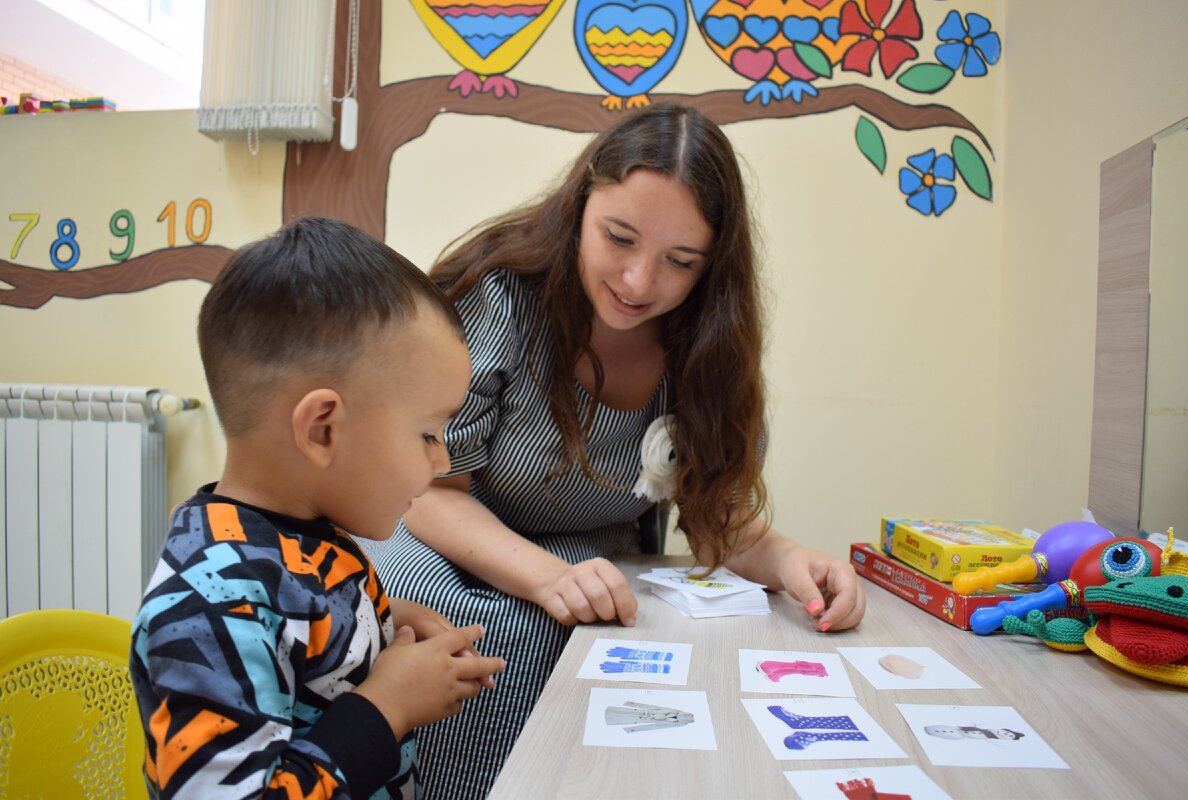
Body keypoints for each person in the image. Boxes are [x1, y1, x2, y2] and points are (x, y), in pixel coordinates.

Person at [363, 103, 867, 798]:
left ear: (710, 265)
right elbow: (427, 489)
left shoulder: (706, 343)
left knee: (607, 623)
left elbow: (712, 513)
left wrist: (789, 559)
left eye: (679, 262)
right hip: (437, 535)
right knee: (463, 616)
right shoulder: (500, 297)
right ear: (579, 206)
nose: (638, 282)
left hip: (591, 554)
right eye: (619, 238)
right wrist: (541, 576)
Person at [129, 217, 506, 799]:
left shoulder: (300, 531)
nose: (442, 462)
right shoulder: (210, 608)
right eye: (429, 434)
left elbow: (295, 623)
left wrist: (379, 623)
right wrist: (387, 707)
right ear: (323, 429)